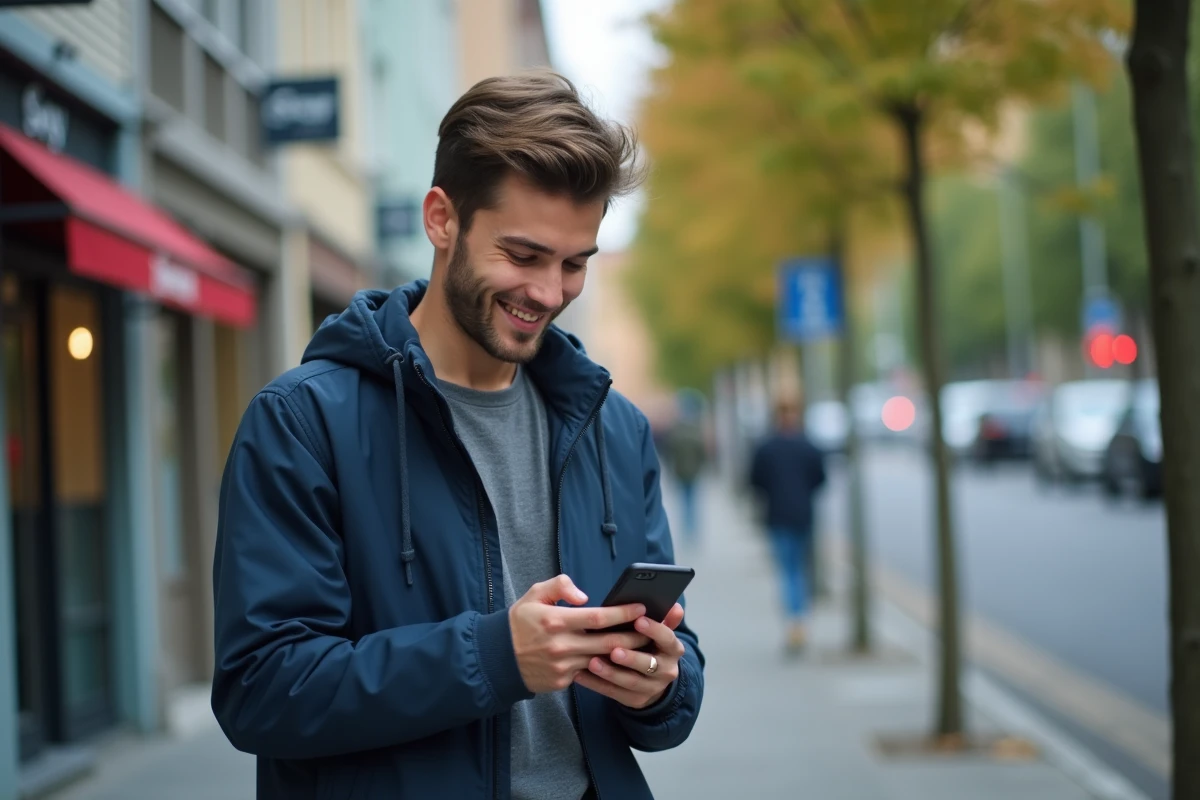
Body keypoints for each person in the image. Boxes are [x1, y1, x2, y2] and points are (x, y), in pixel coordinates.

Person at [210, 71, 704, 800]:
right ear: (442, 219)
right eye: (524, 255)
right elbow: (262, 689)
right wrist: (496, 655)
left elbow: (675, 669)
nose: (549, 292)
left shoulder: (615, 430)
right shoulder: (302, 423)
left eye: (575, 265)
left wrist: (662, 683)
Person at [748, 396, 827, 655]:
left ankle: (793, 623)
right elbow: (820, 479)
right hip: (802, 514)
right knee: (798, 570)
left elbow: (755, 480)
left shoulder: (766, 447)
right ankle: (799, 621)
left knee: (788, 570)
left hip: (777, 515)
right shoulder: (808, 445)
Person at [664, 413, 708, 545]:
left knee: (684, 501)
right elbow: (702, 454)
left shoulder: (676, 435)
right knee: (692, 501)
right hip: (693, 472)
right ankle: (692, 530)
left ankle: (686, 529)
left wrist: (671, 472)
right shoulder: (695, 435)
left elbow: (669, 454)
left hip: (680, 472)